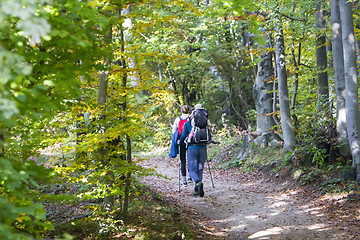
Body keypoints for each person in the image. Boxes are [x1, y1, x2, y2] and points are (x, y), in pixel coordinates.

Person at [179, 104, 208, 197]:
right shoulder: (205, 123)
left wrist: (180, 143)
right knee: (200, 169)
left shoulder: (188, 123)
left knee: (192, 170)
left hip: (192, 148)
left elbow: (183, 136)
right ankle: (197, 190)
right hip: (203, 148)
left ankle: (197, 183)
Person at [172, 105, 192, 186]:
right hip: (190, 140)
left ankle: (184, 181)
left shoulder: (178, 119)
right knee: (190, 159)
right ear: (189, 111)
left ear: (181, 111)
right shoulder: (191, 118)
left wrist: (177, 139)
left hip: (181, 141)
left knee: (183, 160)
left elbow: (174, 131)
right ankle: (190, 177)